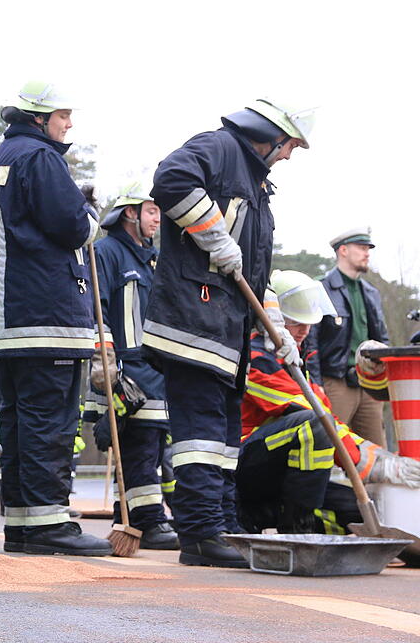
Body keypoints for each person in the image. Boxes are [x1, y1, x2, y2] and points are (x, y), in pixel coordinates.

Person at [143, 99, 315, 567]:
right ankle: (199, 535)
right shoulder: (218, 149)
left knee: (223, 439)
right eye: (291, 146)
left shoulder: (257, 186)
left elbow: (255, 278)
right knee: (200, 434)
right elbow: (171, 178)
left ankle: (222, 526)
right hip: (193, 327)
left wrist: (279, 331)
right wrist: (214, 234)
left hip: (227, 334)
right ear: (271, 133)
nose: (289, 156)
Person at [0, 80, 111, 556]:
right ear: (39, 118)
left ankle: (28, 526)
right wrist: (89, 211)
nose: (69, 124)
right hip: (47, 319)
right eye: (63, 115)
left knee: (17, 425)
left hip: (4, 325)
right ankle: (50, 524)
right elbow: (73, 225)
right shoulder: (41, 158)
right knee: (50, 425)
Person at [238, 270, 420, 533]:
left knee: (355, 512)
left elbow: (329, 420)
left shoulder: (296, 359)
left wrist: (379, 457)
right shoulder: (257, 356)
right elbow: (317, 419)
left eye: (309, 322)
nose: (305, 330)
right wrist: (374, 464)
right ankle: (298, 529)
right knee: (312, 424)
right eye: (295, 321)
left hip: (281, 472)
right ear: (275, 317)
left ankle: (282, 518)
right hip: (249, 467)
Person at [84, 182, 178, 549]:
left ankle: (134, 513)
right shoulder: (106, 253)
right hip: (125, 368)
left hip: (156, 369)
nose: (158, 219)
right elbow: (97, 308)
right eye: (152, 211)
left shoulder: (154, 259)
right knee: (139, 446)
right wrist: (105, 361)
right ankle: (149, 522)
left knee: (151, 446)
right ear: (131, 213)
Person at [309, 227, 391, 447]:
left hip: (368, 385)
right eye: (362, 248)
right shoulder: (320, 288)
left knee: (377, 453)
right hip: (335, 382)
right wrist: (317, 385)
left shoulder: (371, 292)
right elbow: (310, 341)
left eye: (368, 249)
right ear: (343, 250)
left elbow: (382, 339)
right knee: (329, 447)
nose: (367, 253)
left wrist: (384, 383)